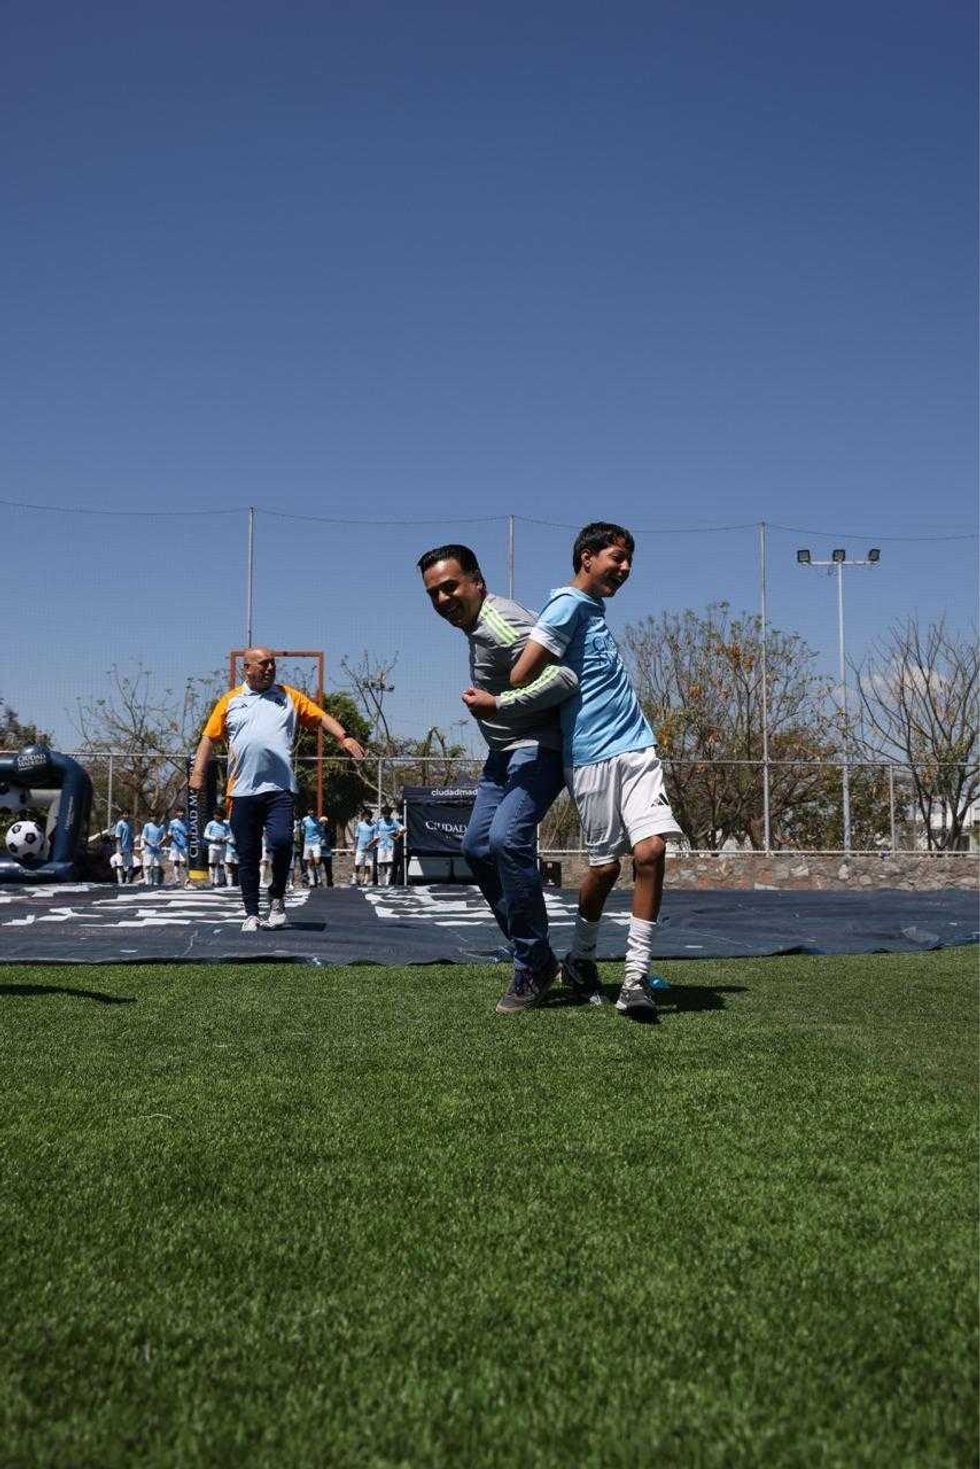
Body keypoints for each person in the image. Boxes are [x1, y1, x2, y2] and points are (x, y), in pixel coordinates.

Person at [509, 522, 682, 1019]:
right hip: (589, 756)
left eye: (629, 562)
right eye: (616, 558)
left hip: (636, 746)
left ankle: (635, 977)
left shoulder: (593, 608)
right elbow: (524, 671)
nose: (624, 569)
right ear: (587, 557)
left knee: (651, 850)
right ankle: (581, 959)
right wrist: (522, 693)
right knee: (604, 868)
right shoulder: (566, 605)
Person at [418, 543, 579, 1014]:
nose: (444, 599)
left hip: (538, 747)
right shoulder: (477, 626)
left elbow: (566, 675)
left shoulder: (500, 622)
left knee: (508, 839)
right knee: (476, 847)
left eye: (451, 587)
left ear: (477, 582)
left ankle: (530, 961)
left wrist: (499, 705)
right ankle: (539, 957)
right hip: (502, 754)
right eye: (434, 594)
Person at [190, 647, 365, 932]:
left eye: (273, 663)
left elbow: (320, 717)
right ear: (247, 668)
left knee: (282, 842)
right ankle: (251, 913)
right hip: (242, 792)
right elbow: (208, 739)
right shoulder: (230, 701)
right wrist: (198, 772)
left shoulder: (288, 696)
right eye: (264, 664)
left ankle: (277, 899)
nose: (271, 668)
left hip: (279, 789)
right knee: (247, 854)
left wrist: (343, 737)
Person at [373, 805, 402, 886]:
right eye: (384, 814)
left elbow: (403, 829)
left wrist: (396, 837)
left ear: (390, 813)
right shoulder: (379, 822)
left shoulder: (394, 822)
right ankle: (379, 882)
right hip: (381, 845)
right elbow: (376, 833)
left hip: (390, 845)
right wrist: (374, 842)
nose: (386, 815)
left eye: (387, 814)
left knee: (389, 863)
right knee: (380, 863)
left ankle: (387, 882)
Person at [204, 808, 230, 887]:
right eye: (215, 815)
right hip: (213, 846)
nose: (216, 817)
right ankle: (212, 881)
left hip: (222, 846)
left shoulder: (225, 825)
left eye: (218, 815)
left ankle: (220, 881)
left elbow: (229, 835)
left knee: (221, 864)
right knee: (212, 863)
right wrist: (215, 838)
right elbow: (206, 835)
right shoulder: (210, 824)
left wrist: (224, 839)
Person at [141, 814, 166, 887]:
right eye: (152, 816)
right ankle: (147, 881)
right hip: (148, 849)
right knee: (147, 866)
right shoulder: (147, 826)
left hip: (157, 850)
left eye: (155, 816)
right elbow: (144, 837)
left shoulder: (161, 826)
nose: (154, 817)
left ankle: (155, 882)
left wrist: (159, 843)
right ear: (150, 817)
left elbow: (164, 837)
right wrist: (150, 844)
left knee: (157, 866)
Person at [352, 807, 376, 886]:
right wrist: (354, 848)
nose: (367, 817)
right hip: (360, 848)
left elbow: (375, 838)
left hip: (369, 849)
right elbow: (356, 837)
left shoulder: (374, 826)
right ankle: (355, 879)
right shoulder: (360, 825)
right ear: (363, 816)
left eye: (369, 816)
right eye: (365, 816)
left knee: (367, 865)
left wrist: (371, 845)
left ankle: (365, 880)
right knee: (357, 864)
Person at [166, 807, 188, 886]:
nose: (181, 814)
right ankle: (177, 879)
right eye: (179, 812)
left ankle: (187, 879)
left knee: (185, 862)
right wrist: (169, 834)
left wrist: (187, 834)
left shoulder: (187, 822)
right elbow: (169, 832)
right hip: (175, 845)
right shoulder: (172, 822)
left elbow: (189, 833)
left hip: (184, 845)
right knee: (176, 862)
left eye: (182, 812)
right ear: (176, 813)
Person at [301, 811, 323, 886]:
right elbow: (303, 830)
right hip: (308, 843)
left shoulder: (318, 820)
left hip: (316, 842)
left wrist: (320, 839)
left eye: (313, 810)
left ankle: (319, 878)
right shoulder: (305, 820)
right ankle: (312, 880)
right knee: (310, 862)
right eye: (310, 810)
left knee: (317, 861)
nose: (312, 812)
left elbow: (321, 830)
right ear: (308, 811)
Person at [113, 811, 134, 885]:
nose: (126, 815)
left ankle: (128, 880)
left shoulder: (130, 824)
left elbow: (132, 837)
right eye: (124, 814)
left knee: (130, 866)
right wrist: (119, 848)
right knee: (120, 865)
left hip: (129, 848)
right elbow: (118, 837)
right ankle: (120, 881)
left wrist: (133, 846)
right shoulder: (120, 824)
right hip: (121, 848)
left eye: (127, 814)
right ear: (122, 815)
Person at [318, 816, 335, 887]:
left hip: (327, 852)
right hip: (319, 852)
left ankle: (330, 882)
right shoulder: (317, 831)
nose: (323, 823)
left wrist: (329, 844)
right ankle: (319, 881)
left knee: (328, 869)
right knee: (318, 868)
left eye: (325, 822)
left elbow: (332, 841)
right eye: (322, 822)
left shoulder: (330, 831)